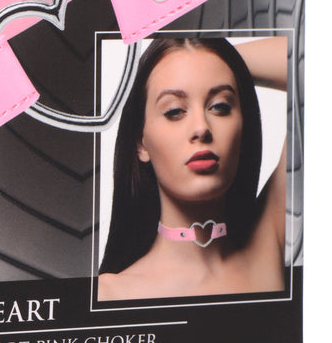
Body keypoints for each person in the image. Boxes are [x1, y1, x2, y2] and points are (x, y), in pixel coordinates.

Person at [97, 34, 287, 301]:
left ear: (244, 131)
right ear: (141, 144)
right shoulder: (109, 293)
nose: (201, 128)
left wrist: (223, 61)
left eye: (220, 106)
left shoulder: (267, 246)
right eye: (174, 111)